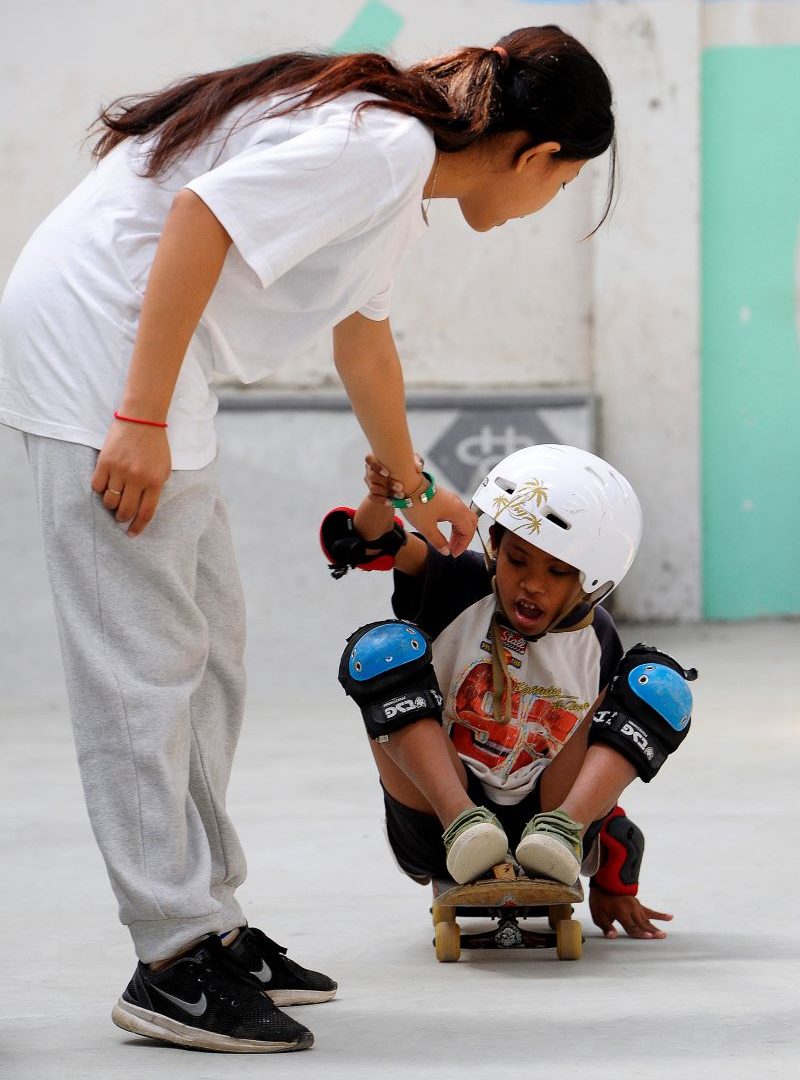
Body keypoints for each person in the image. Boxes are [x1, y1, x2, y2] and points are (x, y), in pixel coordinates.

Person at [0, 26, 618, 1053]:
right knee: (141, 669)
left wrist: (416, 486)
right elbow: (198, 219)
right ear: (532, 156)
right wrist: (142, 418)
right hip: (97, 358)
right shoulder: (379, 149)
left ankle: (212, 923)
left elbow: (360, 338)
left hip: (149, 364)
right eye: (559, 190)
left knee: (210, 655)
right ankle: (169, 961)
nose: (537, 212)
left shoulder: (399, 171)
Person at [325, 444, 697, 940]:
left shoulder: (598, 640)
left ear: (593, 580)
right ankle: (465, 826)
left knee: (656, 685)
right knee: (382, 650)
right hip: (437, 817)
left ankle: (566, 830)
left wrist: (614, 878)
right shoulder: (458, 581)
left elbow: (606, 748)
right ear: (494, 546)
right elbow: (367, 543)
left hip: (546, 826)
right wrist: (381, 497)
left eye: (558, 572)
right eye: (518, 560)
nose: (532, 585)